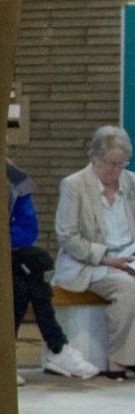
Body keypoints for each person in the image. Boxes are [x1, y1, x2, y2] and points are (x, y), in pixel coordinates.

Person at [0, 117, 100, 379]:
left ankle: (2, 361)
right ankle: (55, 347)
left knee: (30, 270)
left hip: (4, 256)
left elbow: (29, 228)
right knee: (28, 271)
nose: (3, 145)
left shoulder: (17, 178)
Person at [55, 125, 135, 378]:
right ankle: (119, 360)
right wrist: (108, 259)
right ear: (95, 159)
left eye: (122, 164)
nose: (117, 170)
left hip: (129, 255)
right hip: (91, 262)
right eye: (111, 164)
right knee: (127, 288)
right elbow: (68, 237)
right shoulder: (74, 185)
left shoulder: (131, 182)